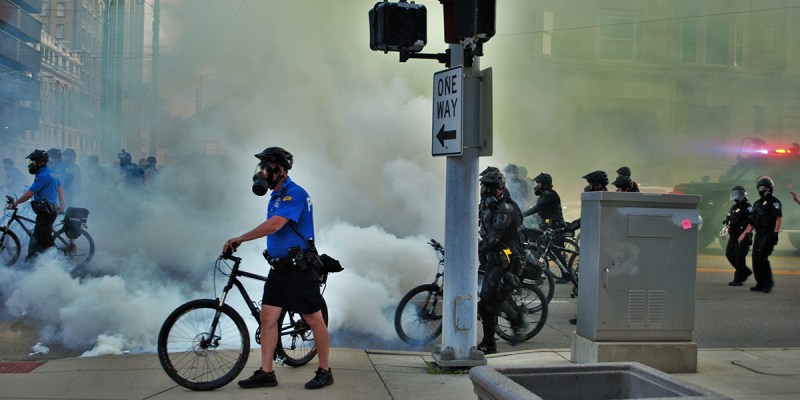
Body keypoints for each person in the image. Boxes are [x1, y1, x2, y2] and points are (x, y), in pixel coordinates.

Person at [223, 147, 333, 390]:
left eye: (266, 167)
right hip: (279, 269)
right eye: (260, 167)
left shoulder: (294, 194)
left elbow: (275, 226)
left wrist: (240, 239)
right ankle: (266, 373)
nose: (261, 172)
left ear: (280, 169)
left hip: (299, 268)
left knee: (313, 318)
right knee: (268, 318)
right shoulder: (275, 195)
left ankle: (325, 370)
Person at [477, 169, 527, 354]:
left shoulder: (505, 209)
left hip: (506, 261)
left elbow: (493, 238)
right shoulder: (487, 205)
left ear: (500, 189)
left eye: (490, 188)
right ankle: (489, 343)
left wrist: (474, 247)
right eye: (484, 187)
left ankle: (517, 323)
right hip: (492, 260)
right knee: (485, 304)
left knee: (490, 301)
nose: (486, 191)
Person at [6, 150, 65, 261]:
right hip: (49, 209)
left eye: (33, 161)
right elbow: (60, 189)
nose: (31, 164)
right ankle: (32, 259)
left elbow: (29, 194)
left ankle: (60, 263)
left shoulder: (43, 176)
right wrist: (62, 206)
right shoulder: (52, 173)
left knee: (45, 239)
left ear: (41, 162)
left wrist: (15, 203)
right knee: (37, 236)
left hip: (46, 212)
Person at [522, 172, 569, 283]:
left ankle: (565, 276)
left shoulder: (548, 195)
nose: (536, 185)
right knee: (546, 251)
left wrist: (522, 214)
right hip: (549, 226)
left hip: (554, 227)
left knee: (554, 252)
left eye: (538, 183)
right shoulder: (547, 194)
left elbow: (537, 208)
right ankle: (541, 274)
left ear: (545, 185)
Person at [739, 176, 781, 293]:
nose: (762, 189)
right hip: (758, 234)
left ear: (770, 188)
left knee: (762, 257)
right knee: (755, 258)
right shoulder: (757, 203)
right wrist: (745, 234)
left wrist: (775, 233)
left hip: (769, 233)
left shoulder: (774, 201)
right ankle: (760, 283)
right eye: (760, 187)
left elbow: (778, 217)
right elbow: (752, 221)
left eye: (765, 187)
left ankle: (768, 283)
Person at [721, 186, 753, 286]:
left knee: (740, 256)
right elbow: (729, 220)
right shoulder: (734, 207)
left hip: (743, 235)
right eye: (734, 193)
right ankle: (745, 271)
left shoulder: (748, 207)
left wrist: (745, 234)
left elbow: (752, 221)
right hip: (733, 235)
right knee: (729, 254)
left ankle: (738, 279)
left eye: (738, 193)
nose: (736, 195)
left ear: (744, 194)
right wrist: (724, 230)